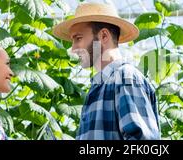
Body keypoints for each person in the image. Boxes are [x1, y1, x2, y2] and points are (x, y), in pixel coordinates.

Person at [53, 2, 160, 140]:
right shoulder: (99, 85)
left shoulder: (125, 78)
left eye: (78, 38)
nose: (73, 49)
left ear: (104, 36)